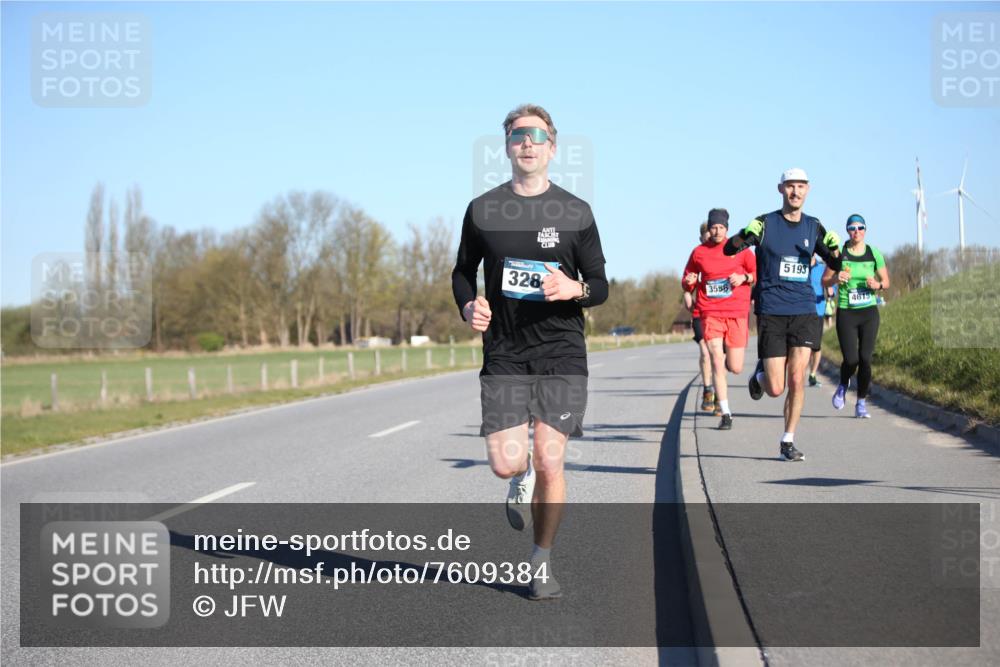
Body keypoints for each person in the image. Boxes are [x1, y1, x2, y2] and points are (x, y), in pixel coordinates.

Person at [452, 104, 609, 600]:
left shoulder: (576, 211)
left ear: (552, 148)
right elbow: (461, 272)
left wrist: (574, 289)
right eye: (519, 135)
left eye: (537, 135)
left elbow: (601, 284)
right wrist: (467, 305)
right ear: (507, 146)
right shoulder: (483, 210)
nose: (527, 142)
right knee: (506, 461)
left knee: (550, 459)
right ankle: (515, 480)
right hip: (504, 351)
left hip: (562, 351)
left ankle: (541, 561)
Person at [724, 168, 842, 461]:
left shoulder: (814, 227)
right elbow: (730, 249)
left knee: (797, 378)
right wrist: (744, 234)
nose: (795, 192)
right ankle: (760, 373)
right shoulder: (765, 224)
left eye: (800, 187)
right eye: (790, 186)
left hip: (803, 309)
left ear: (808, 190)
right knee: (776, 388)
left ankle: (787, 441)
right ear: (781, 189)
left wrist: (836, 250)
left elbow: (836, 264)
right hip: (772, 310)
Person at [684, 209, 756, 430]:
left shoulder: (741, 250)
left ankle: (730, 371)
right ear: (709, 227)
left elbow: (757, 274)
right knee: (716, 358)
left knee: (734, 367)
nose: (716, 231)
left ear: (727, 228)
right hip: (711, 312)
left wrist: (744, 277)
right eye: (713, 227)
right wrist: (689, 281)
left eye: (721, 228)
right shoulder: (698, 252)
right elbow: (687, 280)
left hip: (736, 312)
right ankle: (725, 413)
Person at [822, 214, 890, 419]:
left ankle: (861, 403)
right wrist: (835, 278)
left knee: (865, 359)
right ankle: (843, 384)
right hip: (847, 311)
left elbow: (886, 282)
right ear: (847, 231)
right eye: (852, 228)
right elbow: (824, 281)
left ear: (866, 230)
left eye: (860, 228)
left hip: (869, 311)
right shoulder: (839, 254)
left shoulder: (873, 253)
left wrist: (877, 285)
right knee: (851, 360)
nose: (856, 231)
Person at [685, 222, 716, 412]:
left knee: (718, 356)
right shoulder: (697, 255)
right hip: (700, 312)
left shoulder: (723, 253)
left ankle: (721, 393)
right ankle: (707, 390)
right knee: (705, 352)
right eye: (706, 237)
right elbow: (687, 284)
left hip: (721, 313)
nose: (710, 239)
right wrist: (688, 296)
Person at [808, 256, 826, 387]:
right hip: (801, 310)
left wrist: (831, 291)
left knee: (816, 346)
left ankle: (813, 373)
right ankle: (799, 373)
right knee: (803, 345)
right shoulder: (800, 265)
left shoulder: (822, 268)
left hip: (818, 310)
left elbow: (832, 285)